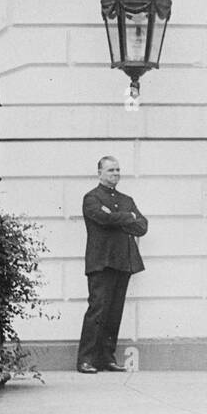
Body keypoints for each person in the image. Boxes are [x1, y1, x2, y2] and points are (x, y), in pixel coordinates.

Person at [76, 156, 148, 373]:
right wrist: (128, 218)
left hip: (123, 262)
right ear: (99, 173)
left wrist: (119, 217)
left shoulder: (126, 199)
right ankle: (85, 360)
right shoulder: (92, 198)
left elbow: (142, 226)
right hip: (101, 262)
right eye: (110, 170)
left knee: (114, 312)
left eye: (117, 170)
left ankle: (106, 358)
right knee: (97, 310)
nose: (115, 174)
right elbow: (101, 218)